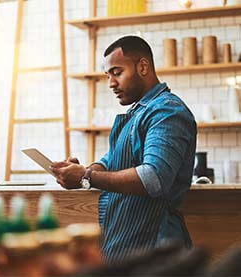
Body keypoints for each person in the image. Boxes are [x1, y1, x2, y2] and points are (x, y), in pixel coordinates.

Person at [51, 35, 197, 263]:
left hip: (156, 247)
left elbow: (154, 178)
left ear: (143, 67)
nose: (110, 83)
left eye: (117, 73)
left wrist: (87, 177)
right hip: (126, 243)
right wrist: (81, 170)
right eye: (108, 76)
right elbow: (110, 161)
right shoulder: (138, 112)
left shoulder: (167, 111)